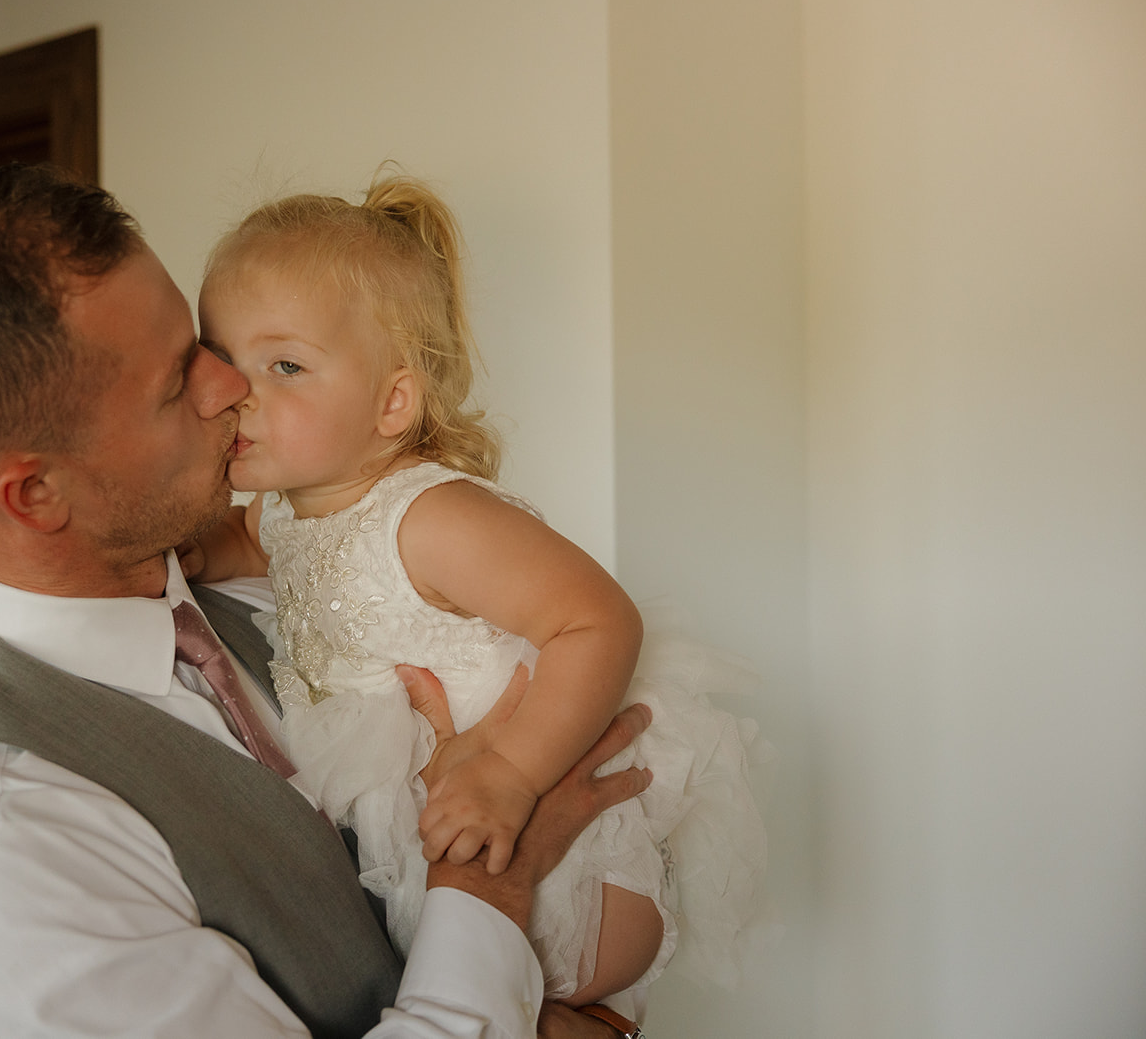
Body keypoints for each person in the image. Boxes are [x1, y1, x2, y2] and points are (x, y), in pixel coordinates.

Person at [0, 162, 655, 1039]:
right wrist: (486, 889)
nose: (231, 389)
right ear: (36, 496)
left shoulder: (275, 578)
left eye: (204, 348)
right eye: (179, 380)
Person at [187, 175, 772, 1027]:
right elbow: (259, 547)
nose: (241, 393)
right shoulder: (286, 504)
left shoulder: (431, 515)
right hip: (430, 844)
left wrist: (507, 771)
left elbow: (598, 618)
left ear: (393, 402)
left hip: (551, 851)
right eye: (224, 359)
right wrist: (198, 545)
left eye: (285, 366)